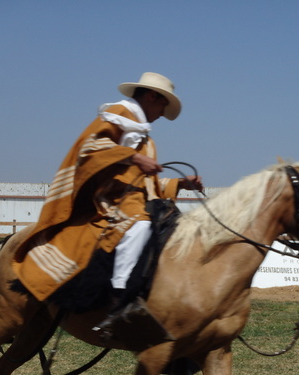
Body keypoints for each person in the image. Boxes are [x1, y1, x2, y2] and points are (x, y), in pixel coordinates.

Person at [12, 72, 202, 332]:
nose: (161, 113)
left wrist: (180, 184)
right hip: (110, 198)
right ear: (151, 96)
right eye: (162, 105)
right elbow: (91, 146)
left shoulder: (145, 135)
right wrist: (135, 158)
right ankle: (121, 297)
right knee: (139, 226)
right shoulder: (118, 112)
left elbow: (144, 182)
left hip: (133, 197)